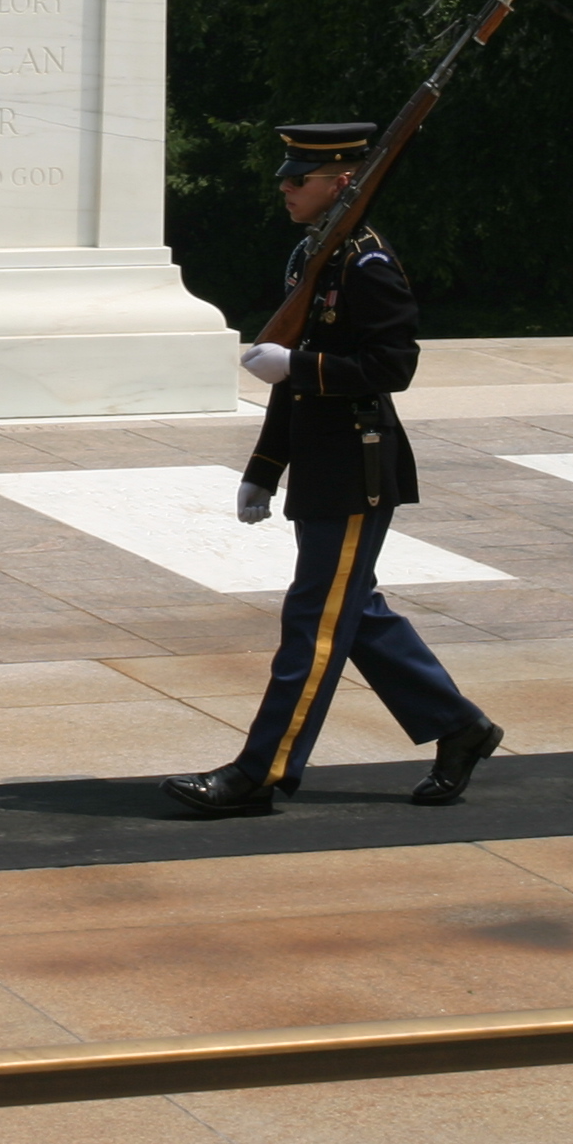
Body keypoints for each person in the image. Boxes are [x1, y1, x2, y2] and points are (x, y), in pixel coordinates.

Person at [160, 121, 503, 816]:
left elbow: (392, 366)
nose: (284, 187)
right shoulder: (313, 255)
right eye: (286, 176)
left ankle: (261, 771)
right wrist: (265, 464)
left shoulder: (368, 265)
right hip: (320, 462)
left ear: (342, 183)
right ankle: (461, 726)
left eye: (299, 179)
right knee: (354, 614)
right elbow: (292, 383)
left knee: (315, 622)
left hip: (355, 465)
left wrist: (301, 367)